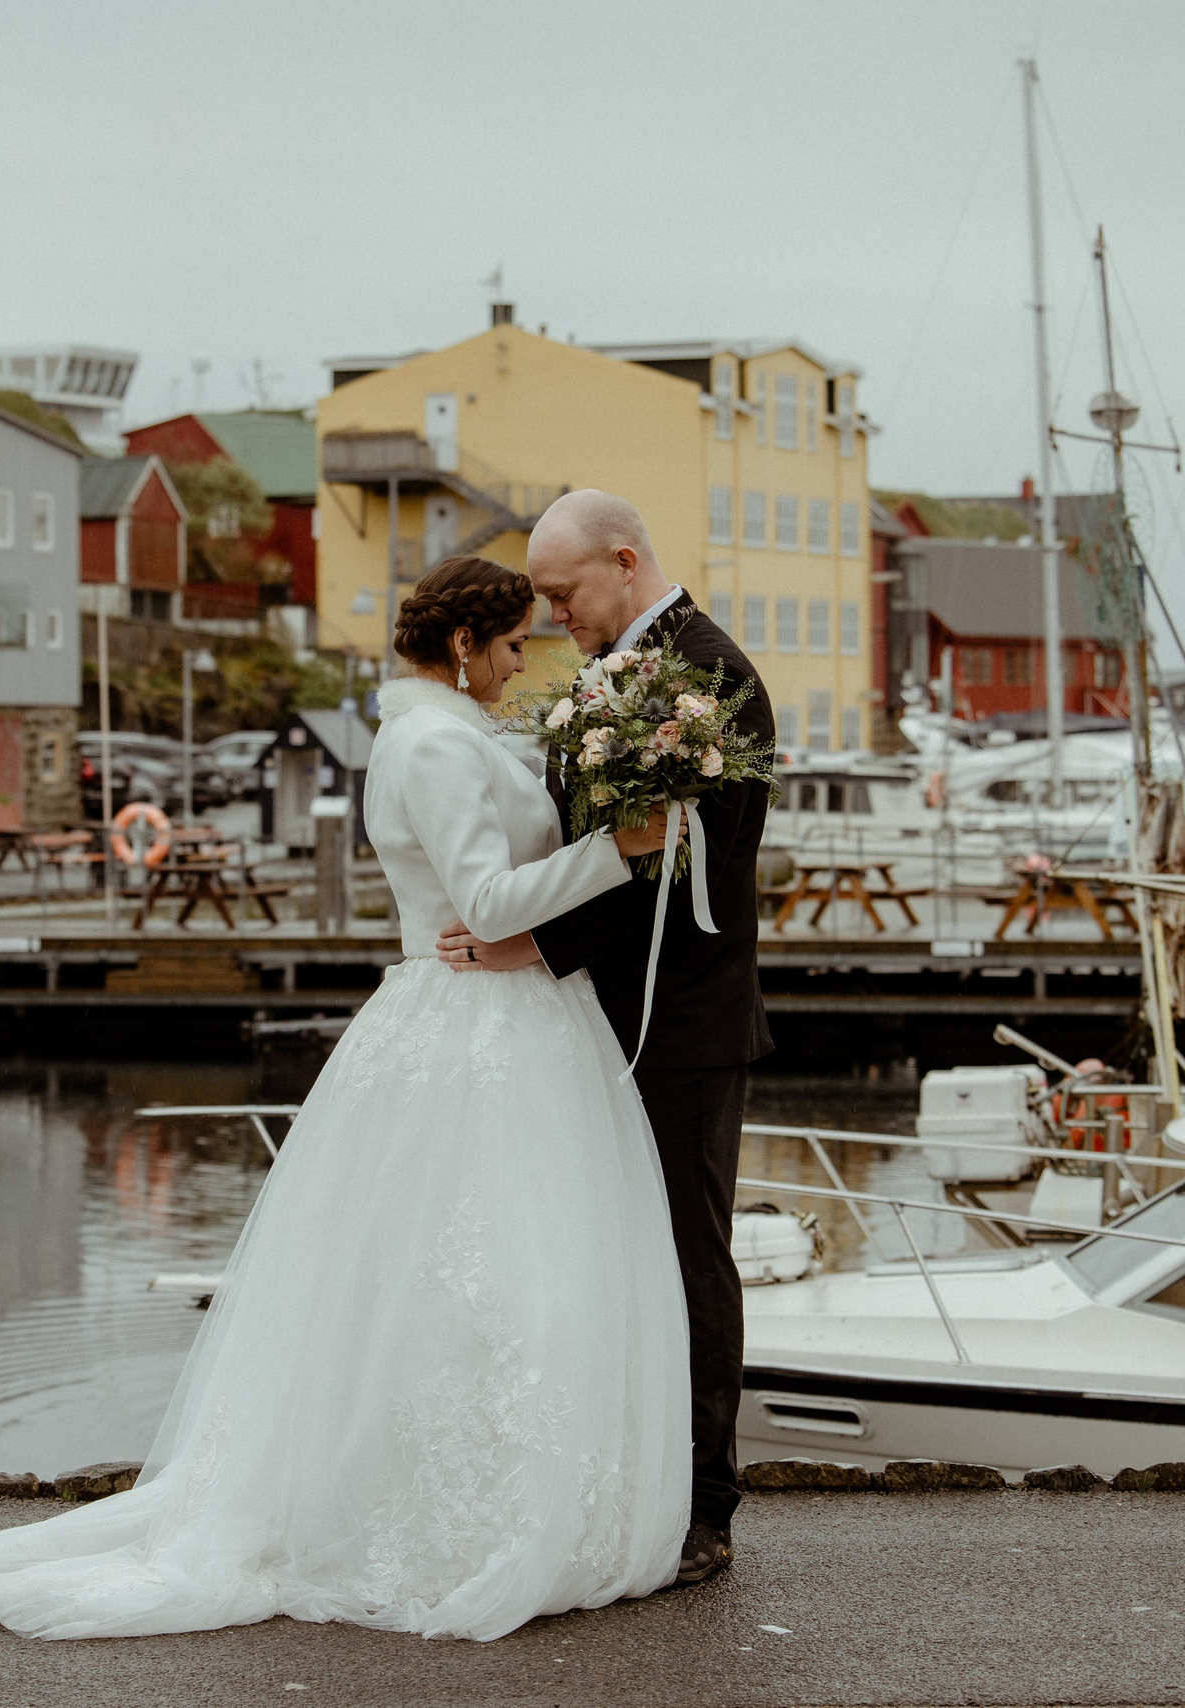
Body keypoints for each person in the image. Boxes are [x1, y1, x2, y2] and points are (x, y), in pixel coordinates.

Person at [0, 556, 691, 1642]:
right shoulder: (435, 742)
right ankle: (432, 1512)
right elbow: (484, 900)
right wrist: (613, 852)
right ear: (462, 647)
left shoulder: (460, 731)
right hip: (472, 1022)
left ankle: (502, 1485)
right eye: (507, 644)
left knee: (498, 1278)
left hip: (512, 1020)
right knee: (466, 1275)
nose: (518, 661)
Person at [437, 489, 775, 1587]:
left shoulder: (712, 677)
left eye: (561, 592)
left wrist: (532, 945)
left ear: (624, 562)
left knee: (684, 1255)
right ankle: (622, 1482)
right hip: (598, 1017)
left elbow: (682, 870)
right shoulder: (613, 677)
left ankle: (703, 1506)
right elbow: (598, 840)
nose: (550, 616)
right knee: (600, 1255)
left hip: (678, 1021)